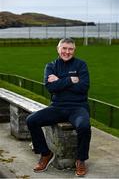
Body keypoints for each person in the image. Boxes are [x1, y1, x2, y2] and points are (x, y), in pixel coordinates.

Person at [26, 38, 91, 177]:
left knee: (84, 126)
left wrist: (59, 81)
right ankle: (45, 153)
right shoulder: (51, 66)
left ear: (74, 50)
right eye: (64, 48)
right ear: (58, 49)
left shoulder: (81, 65)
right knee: (31, 120)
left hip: (78, 107)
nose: (67, 52)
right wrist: (71, 79)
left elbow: (83, 87)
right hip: (57, 107)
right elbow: (50, 88)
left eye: (70, 49)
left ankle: (80, 160)